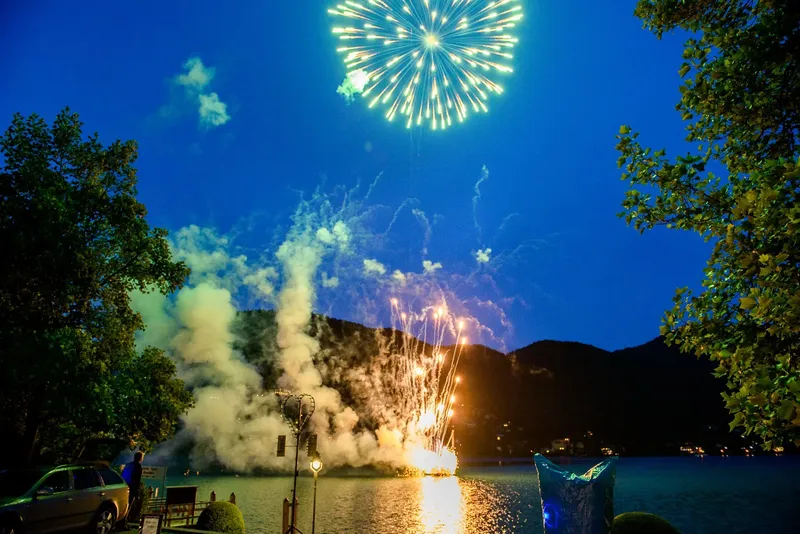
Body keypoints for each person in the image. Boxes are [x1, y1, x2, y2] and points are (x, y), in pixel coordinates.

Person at [121, 452, 144, 525]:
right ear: (140, 458)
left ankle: (121, 521)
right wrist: (137, 492)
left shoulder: (128, 465)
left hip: (124, 487)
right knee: (129, 505)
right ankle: (123, 522)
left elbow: (123, 475)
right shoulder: (138, 466)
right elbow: (137, 480)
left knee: (124, 505)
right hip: (132, 488)